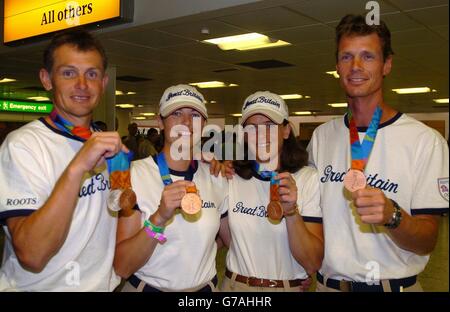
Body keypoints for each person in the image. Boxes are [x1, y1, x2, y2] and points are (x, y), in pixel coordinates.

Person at [307, 14, 449, 292]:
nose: (355, 66)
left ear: (386, 65)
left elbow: (427, 240)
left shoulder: (425, 141)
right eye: (346, 57)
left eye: (367, 56)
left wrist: (392, 216)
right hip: (328, 286)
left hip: (390, 286)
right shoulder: (321, 137)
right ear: (337, 66)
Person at [0, 28, 124, 291]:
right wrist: (78, 166)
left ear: (103, 83)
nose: (82, 84)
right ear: (47, 79)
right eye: (68, 73)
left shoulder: (106, 144)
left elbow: (117, 213)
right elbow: (32, 255)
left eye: (91, 74)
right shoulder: (24, 145)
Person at [113, 84, 228, 292]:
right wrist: (159, 218)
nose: (186, 122)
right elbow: (122, 266)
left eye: (194, 115)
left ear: (203, 124)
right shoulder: (134, 176)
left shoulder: (216, 176)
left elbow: (233, 238)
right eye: (176, 113)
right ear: (160, 122)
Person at [220, 91, 323, 292]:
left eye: (269, 126)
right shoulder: (231, 176)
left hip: (285, 287)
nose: (261, 134)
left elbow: (312, 262)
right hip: (235, 287)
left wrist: (292, 211)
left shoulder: (307, 178)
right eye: (252, 127)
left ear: (285, 131)